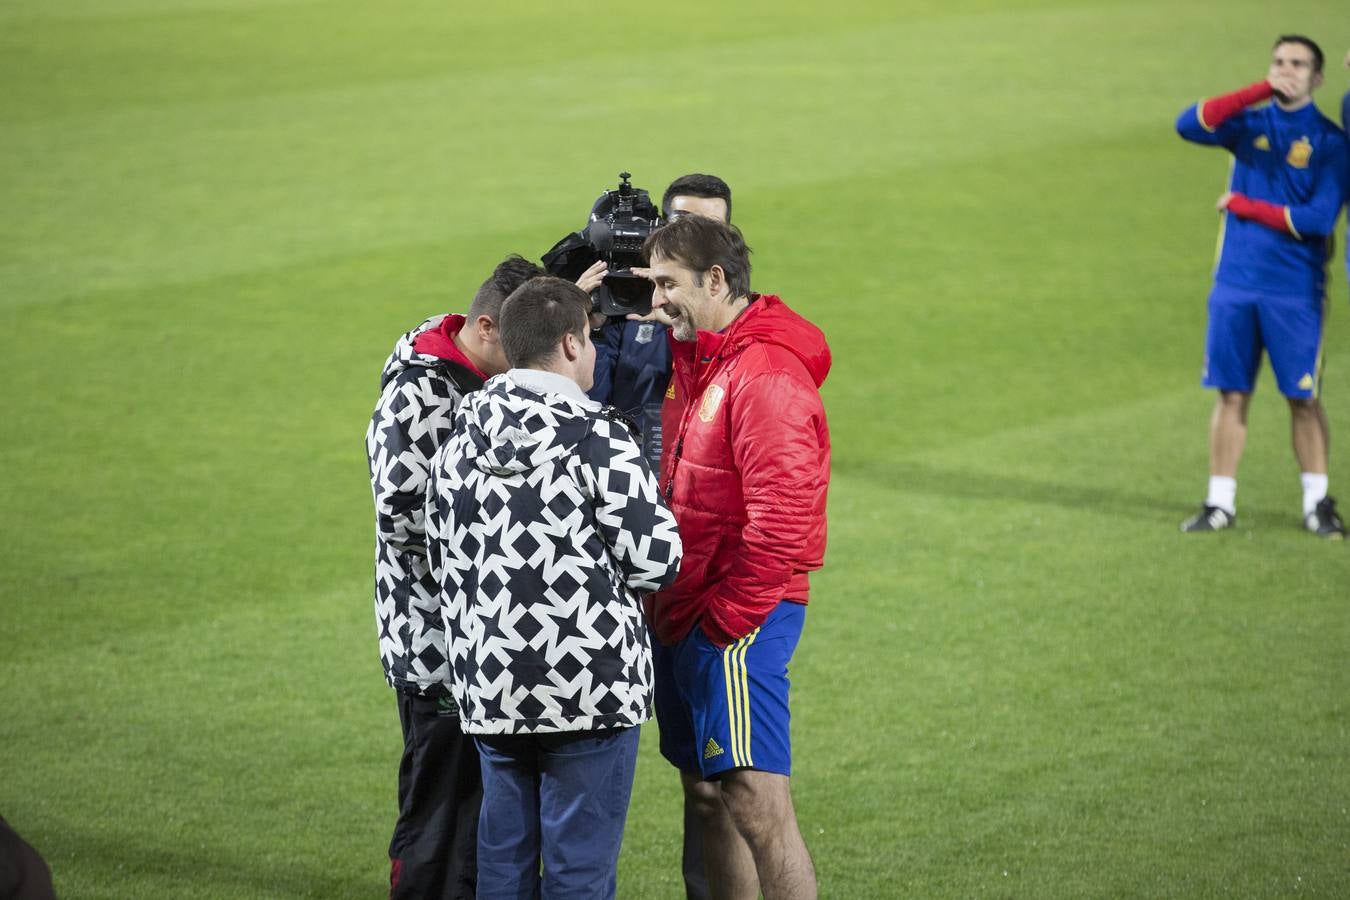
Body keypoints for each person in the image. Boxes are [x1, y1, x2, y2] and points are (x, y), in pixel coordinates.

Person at [425, 276, 683, 900]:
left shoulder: (456, 443)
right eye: (592, 340)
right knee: (578, 877)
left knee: (503, 871)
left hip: (493, 688)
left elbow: (441, 560)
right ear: (570, 344)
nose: (596, 353)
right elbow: (657, 561)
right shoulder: (600, 437)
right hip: (588, 690)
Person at [638, 216, 830, 900]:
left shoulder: (767, 374)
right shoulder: (700, 359)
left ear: (715, 280)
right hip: (687, 610)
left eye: (669, 284)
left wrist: (723, 625)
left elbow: (781, 525)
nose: (656, 301)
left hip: (737, 617)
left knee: (755, 801)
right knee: (706, 795)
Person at [365, 254, 545, 899]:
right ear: (490, 327)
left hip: (479, 640)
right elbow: (401, 517)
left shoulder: (474, 376)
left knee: (480, 813)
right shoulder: (422, 393)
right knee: (440, 814)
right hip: (436, 646)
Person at [584, 172, 731, 900]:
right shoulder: (609, 317)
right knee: (565, 755)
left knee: (710, 785)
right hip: (603, 570)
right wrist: (585, 309)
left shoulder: (741, 347)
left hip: (692, 585)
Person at [1175, 35, 1348, 537]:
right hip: (1234, 285)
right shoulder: (1248, 122)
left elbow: (1317, 221)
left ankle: (1318, 502)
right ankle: (1219, 502)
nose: (1285, 71)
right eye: (1278, 62)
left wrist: (1244, 206)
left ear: (1317, 78)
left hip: (1294, 290)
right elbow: (1188, 124)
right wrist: (1256, 90)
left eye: (1297, 65)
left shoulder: (1333, 143)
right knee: (1230, 394)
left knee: (1303, 398)